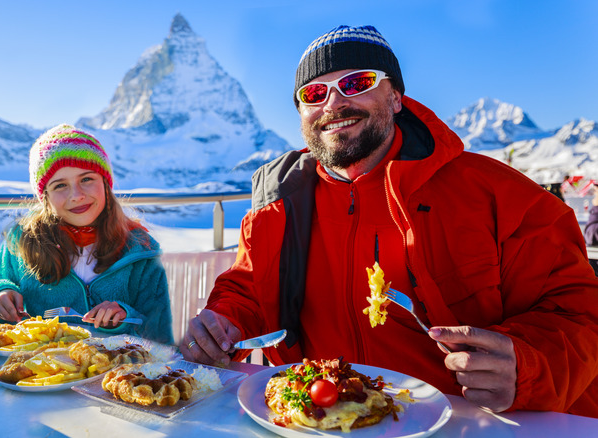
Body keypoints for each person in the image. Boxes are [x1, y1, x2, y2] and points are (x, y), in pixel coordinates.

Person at [180, 25, 598, 417]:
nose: (333, 103)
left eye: (356, 83)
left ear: (396, 97)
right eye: (314, 93)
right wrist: (225, 324)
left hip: (467, 420)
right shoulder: (278, 204)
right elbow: (249, 290)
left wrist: (527, 365)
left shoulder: (499, 195)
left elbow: (578, 311)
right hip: (323, 415)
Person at [0, 124, 173, 344]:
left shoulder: (141, 250)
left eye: (87, 179)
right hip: (42, 372)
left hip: (116, 372)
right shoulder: (21, 241)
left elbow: (162, 330)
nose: (77, 195)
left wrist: (127, 318)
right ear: (45, 196)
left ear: (106, 184)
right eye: (60, 185)